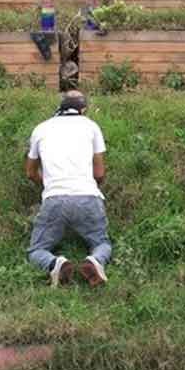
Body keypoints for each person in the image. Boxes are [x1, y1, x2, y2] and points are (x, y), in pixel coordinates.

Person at [25, 90, 111, 287]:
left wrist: (49, 185)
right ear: (84, 109)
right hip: (88, 196)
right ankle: (95, 261)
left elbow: (30, 172)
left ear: (60, 106)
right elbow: (99, 174)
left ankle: (56, 263)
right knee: (102, 244)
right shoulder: (91, 126)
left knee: (36, 251)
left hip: (54, 198)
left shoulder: (41, 129)